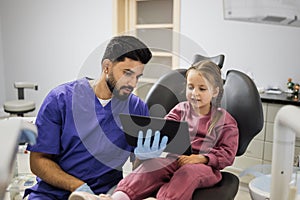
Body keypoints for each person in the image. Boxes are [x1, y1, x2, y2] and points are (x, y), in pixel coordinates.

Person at [69, 60, 239, 200]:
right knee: (152, 166)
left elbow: (227, 154)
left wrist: (202, 158)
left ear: (215, 91)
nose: (195, 93)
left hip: (205, 168)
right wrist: (149, 141)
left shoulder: (224, 121)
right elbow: (165, 129)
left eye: (202, 89)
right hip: (175, 160)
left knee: (188, 172)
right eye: (190, 87)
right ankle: (115, 198)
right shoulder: (180, 109)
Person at [24, 35, 167, 200]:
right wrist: (78, 187)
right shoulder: (60, 99)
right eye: (127, 74)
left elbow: (137, 170)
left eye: (137, 77)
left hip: (104, 194)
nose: (133, 84)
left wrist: (144, 158)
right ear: (107, 67)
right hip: (52, 193)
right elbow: (38, 161)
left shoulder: (137, 108)